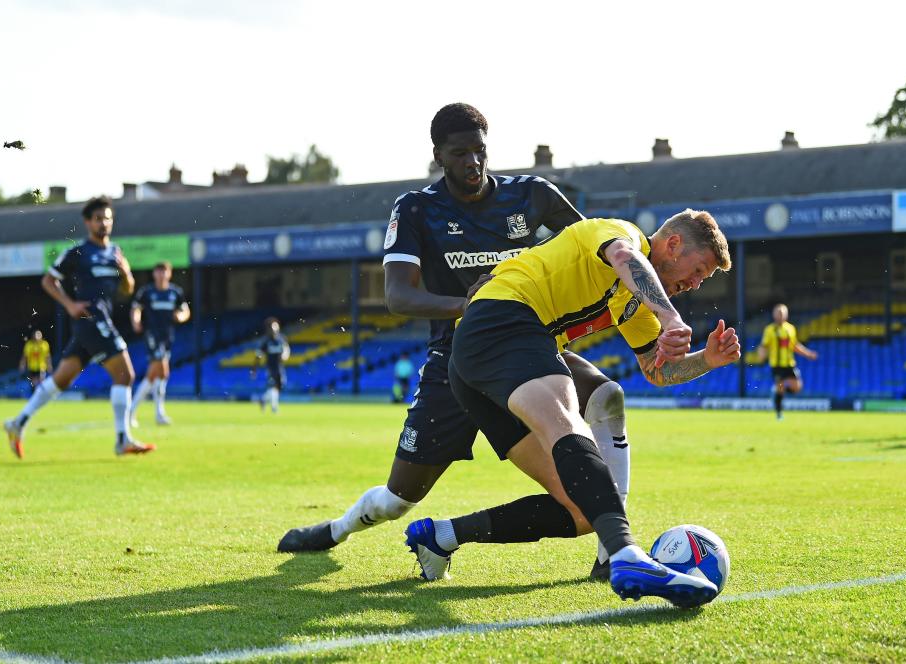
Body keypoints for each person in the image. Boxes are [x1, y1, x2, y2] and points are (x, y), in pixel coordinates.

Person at [277, 104, 626, 580]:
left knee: (605, 398)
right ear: (438, 155)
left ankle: (614, 548)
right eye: (460, 153)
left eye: (480, 151)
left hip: (527, 351)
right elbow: (399, 295)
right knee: (399, 498)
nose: (473, 163)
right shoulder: (417, 209)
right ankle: (335, 530)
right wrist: (469, 305)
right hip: (454, 363)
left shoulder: (534, 197)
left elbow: (590, 252)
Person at [406, 211, 740, 607]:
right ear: (673, 245)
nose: (694, 284)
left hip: (473, 366)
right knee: (569, 423)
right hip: (506, 317)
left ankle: (442, 537)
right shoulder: (622, 234)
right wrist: (670, 317)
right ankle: (626, 555)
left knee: (582, 509)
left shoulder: (633, 301)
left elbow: (657, 371)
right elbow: (623, 256)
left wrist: (708, 360)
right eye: (698, 270)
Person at [3, 196, 155, 458]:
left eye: (107, 218)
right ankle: (122, 439)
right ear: (88, 222)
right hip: (90, 318)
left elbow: (127, 291)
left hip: (96, 322)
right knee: (125, 375)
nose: (104, 223)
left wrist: (127, 273)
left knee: (61, 379)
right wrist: (69, 304)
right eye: (98, 219)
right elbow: (49, 281)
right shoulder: (78, 253)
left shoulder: (115, 253)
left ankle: (18, 423)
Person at [129, 262, 190, 426]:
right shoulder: (147, 292)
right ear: (154, 274)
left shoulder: (175, 292)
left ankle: (157, 413)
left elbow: (185, 311)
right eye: (159, 272)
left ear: (169, 274)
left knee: (160, 375)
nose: (162, 275)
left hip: (167, 337)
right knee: (160, 371)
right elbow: (136, 308)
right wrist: (136, 321)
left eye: (165, 272)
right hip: (152, 335)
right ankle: (133, 411)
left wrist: (181, 317)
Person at [756, 303, 818, 419]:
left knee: (797, 387)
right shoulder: (769, 330)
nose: (780, 315)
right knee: (780, 388)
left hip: (789, 364)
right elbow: (764, 345)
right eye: (778, 312)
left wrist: (808, 353)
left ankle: (777, 391)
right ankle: (779, 414)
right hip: (777, 365)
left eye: (782, 312)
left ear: (786, 314)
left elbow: (794, 345)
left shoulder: (790, 328)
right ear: (774, 315)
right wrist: (761, 354)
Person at [253, 317, 290, 413]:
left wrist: (285, 355)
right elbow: (258, 355)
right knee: (273, 386)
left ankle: (264, 400)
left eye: (276, 327)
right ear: (269, 329)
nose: (275, 330)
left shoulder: (281, 339)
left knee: (280, 385)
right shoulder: (265, 341)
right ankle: (274, 407)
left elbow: (286, 349)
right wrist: (254, 369)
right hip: (270, 367)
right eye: (273, 328)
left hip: (279, 366)